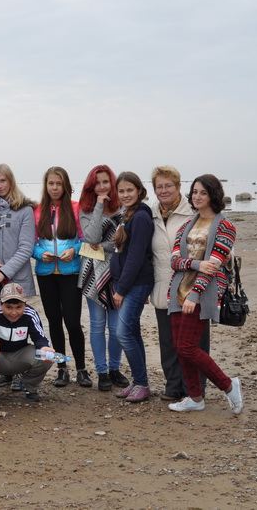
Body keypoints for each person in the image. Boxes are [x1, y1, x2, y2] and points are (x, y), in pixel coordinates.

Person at [167, 175, 243, 414]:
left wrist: (195, 295)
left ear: (213, 195)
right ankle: (195, 398)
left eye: (203, 192)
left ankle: (229, 385)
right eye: (194, 192)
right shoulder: (186, 226)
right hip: (178, 291)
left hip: (202, 293)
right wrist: (195, 264)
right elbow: (174, 261)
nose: (197, 197)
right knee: (180, 347)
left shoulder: (225, 227)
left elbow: (213, 266)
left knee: (187, 346)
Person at [150, 166, 210, 402]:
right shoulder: (151, 214)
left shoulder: (193, 213)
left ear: (178, 187)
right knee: (168, 341)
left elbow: (213, 241)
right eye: (159, 186)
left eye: (168, 185)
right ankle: (173, 386)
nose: (164, 190)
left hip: (191, 286)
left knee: (193, 342)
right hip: (162, 285)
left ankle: (195, 390)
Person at [32, 166, 90, 388]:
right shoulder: (37, 211)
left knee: (73, 322)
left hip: (70, 272)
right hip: (46, 274)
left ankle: (82, 369)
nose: (55, 188)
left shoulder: (76, 208)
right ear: (45, 186)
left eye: (59, 183)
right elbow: (31, 244)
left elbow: (85, 240)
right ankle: (61, 368)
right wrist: (40, 254)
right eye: (51, 183)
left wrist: (74, 250)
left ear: (66, 186)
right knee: (54, 321)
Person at [77, 165, 129, 392]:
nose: (101, 186)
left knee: (116, 327)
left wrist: (106, 246)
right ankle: (101, 371)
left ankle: (115, 369)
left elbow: (124, 242)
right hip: (93, 272)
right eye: (97, 183)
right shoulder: (86, 210)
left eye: (105, 182)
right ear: (91, 186)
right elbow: (92, 237)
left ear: (112, 183)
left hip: (118, 270)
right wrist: (99, 205)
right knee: (97, 324)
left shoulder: (124, 208)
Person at [110, 172, 155, 403]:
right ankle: (139, 381)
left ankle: (142, 384)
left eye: (130, 190)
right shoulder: (127, 214)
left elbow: (136, 257)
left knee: (123, 333)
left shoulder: (141, 217)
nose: (125, 194)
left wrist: (121, 290)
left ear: (139, 190)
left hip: (136, 283)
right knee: (133, 332)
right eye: (121, 191)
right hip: (127, 282)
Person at [0, 283, 53, 403]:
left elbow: (39, 337)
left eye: (19, 307)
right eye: (8, 307)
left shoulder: (30, 313)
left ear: (25, 304)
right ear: (0, 304)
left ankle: (29, 386)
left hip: (20, 355)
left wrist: (44, 347)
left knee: (47, 357)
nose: (14, 313)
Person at [0, 163, 36, 305]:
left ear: (11, 181)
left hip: (17, 278)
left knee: (16, 316)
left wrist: (3, 273)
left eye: (3, 181)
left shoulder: (25, 210)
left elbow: (26, 248)